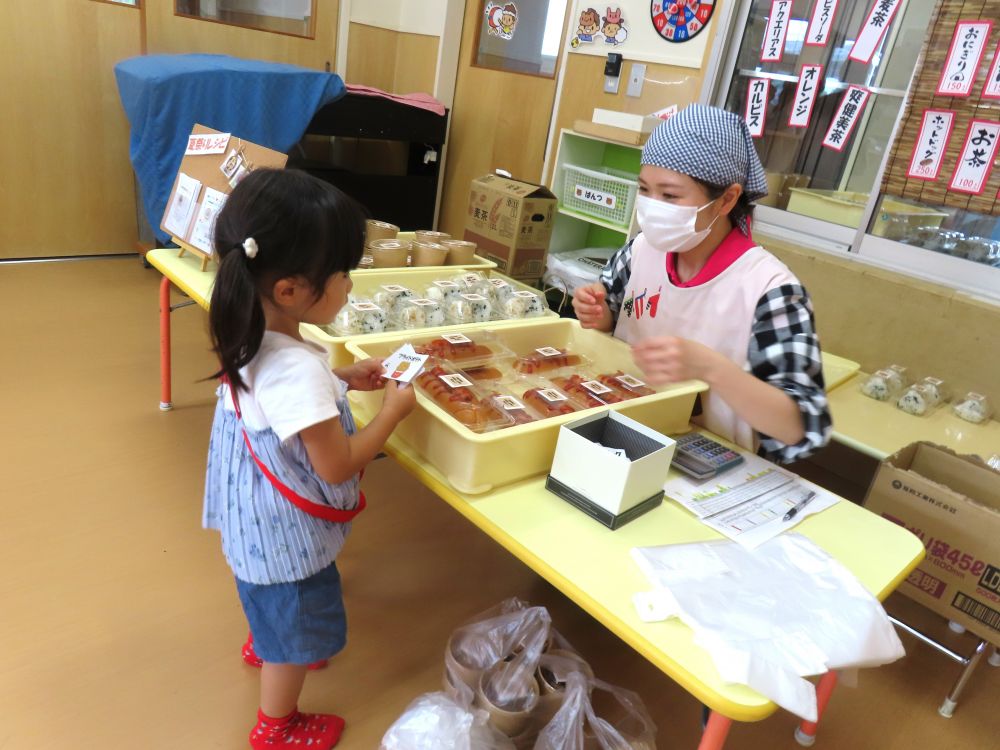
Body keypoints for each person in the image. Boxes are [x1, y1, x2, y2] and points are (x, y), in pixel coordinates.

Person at [203, 169, 416, 749]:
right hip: (284, 534)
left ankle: (267, 637)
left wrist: (341, 378)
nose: (350, 284)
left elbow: (286, 403)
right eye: (342, 274)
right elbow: (337, 465)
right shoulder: (294, 366)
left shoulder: (250, 327)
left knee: (268, 597)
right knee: (295, 626)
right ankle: (278, 724)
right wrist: (392, 414)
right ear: (291, 290)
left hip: (252, 517)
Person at [573, 105, 831, 463]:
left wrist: (712, 369)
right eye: (645, 189)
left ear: (726, 199)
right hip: (616, 436)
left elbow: (799, 426)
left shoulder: (769, 289)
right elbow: (615, 317)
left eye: (671, 195)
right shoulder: (641, 250)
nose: (652, 206)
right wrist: (598, 313)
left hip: (707, 465)